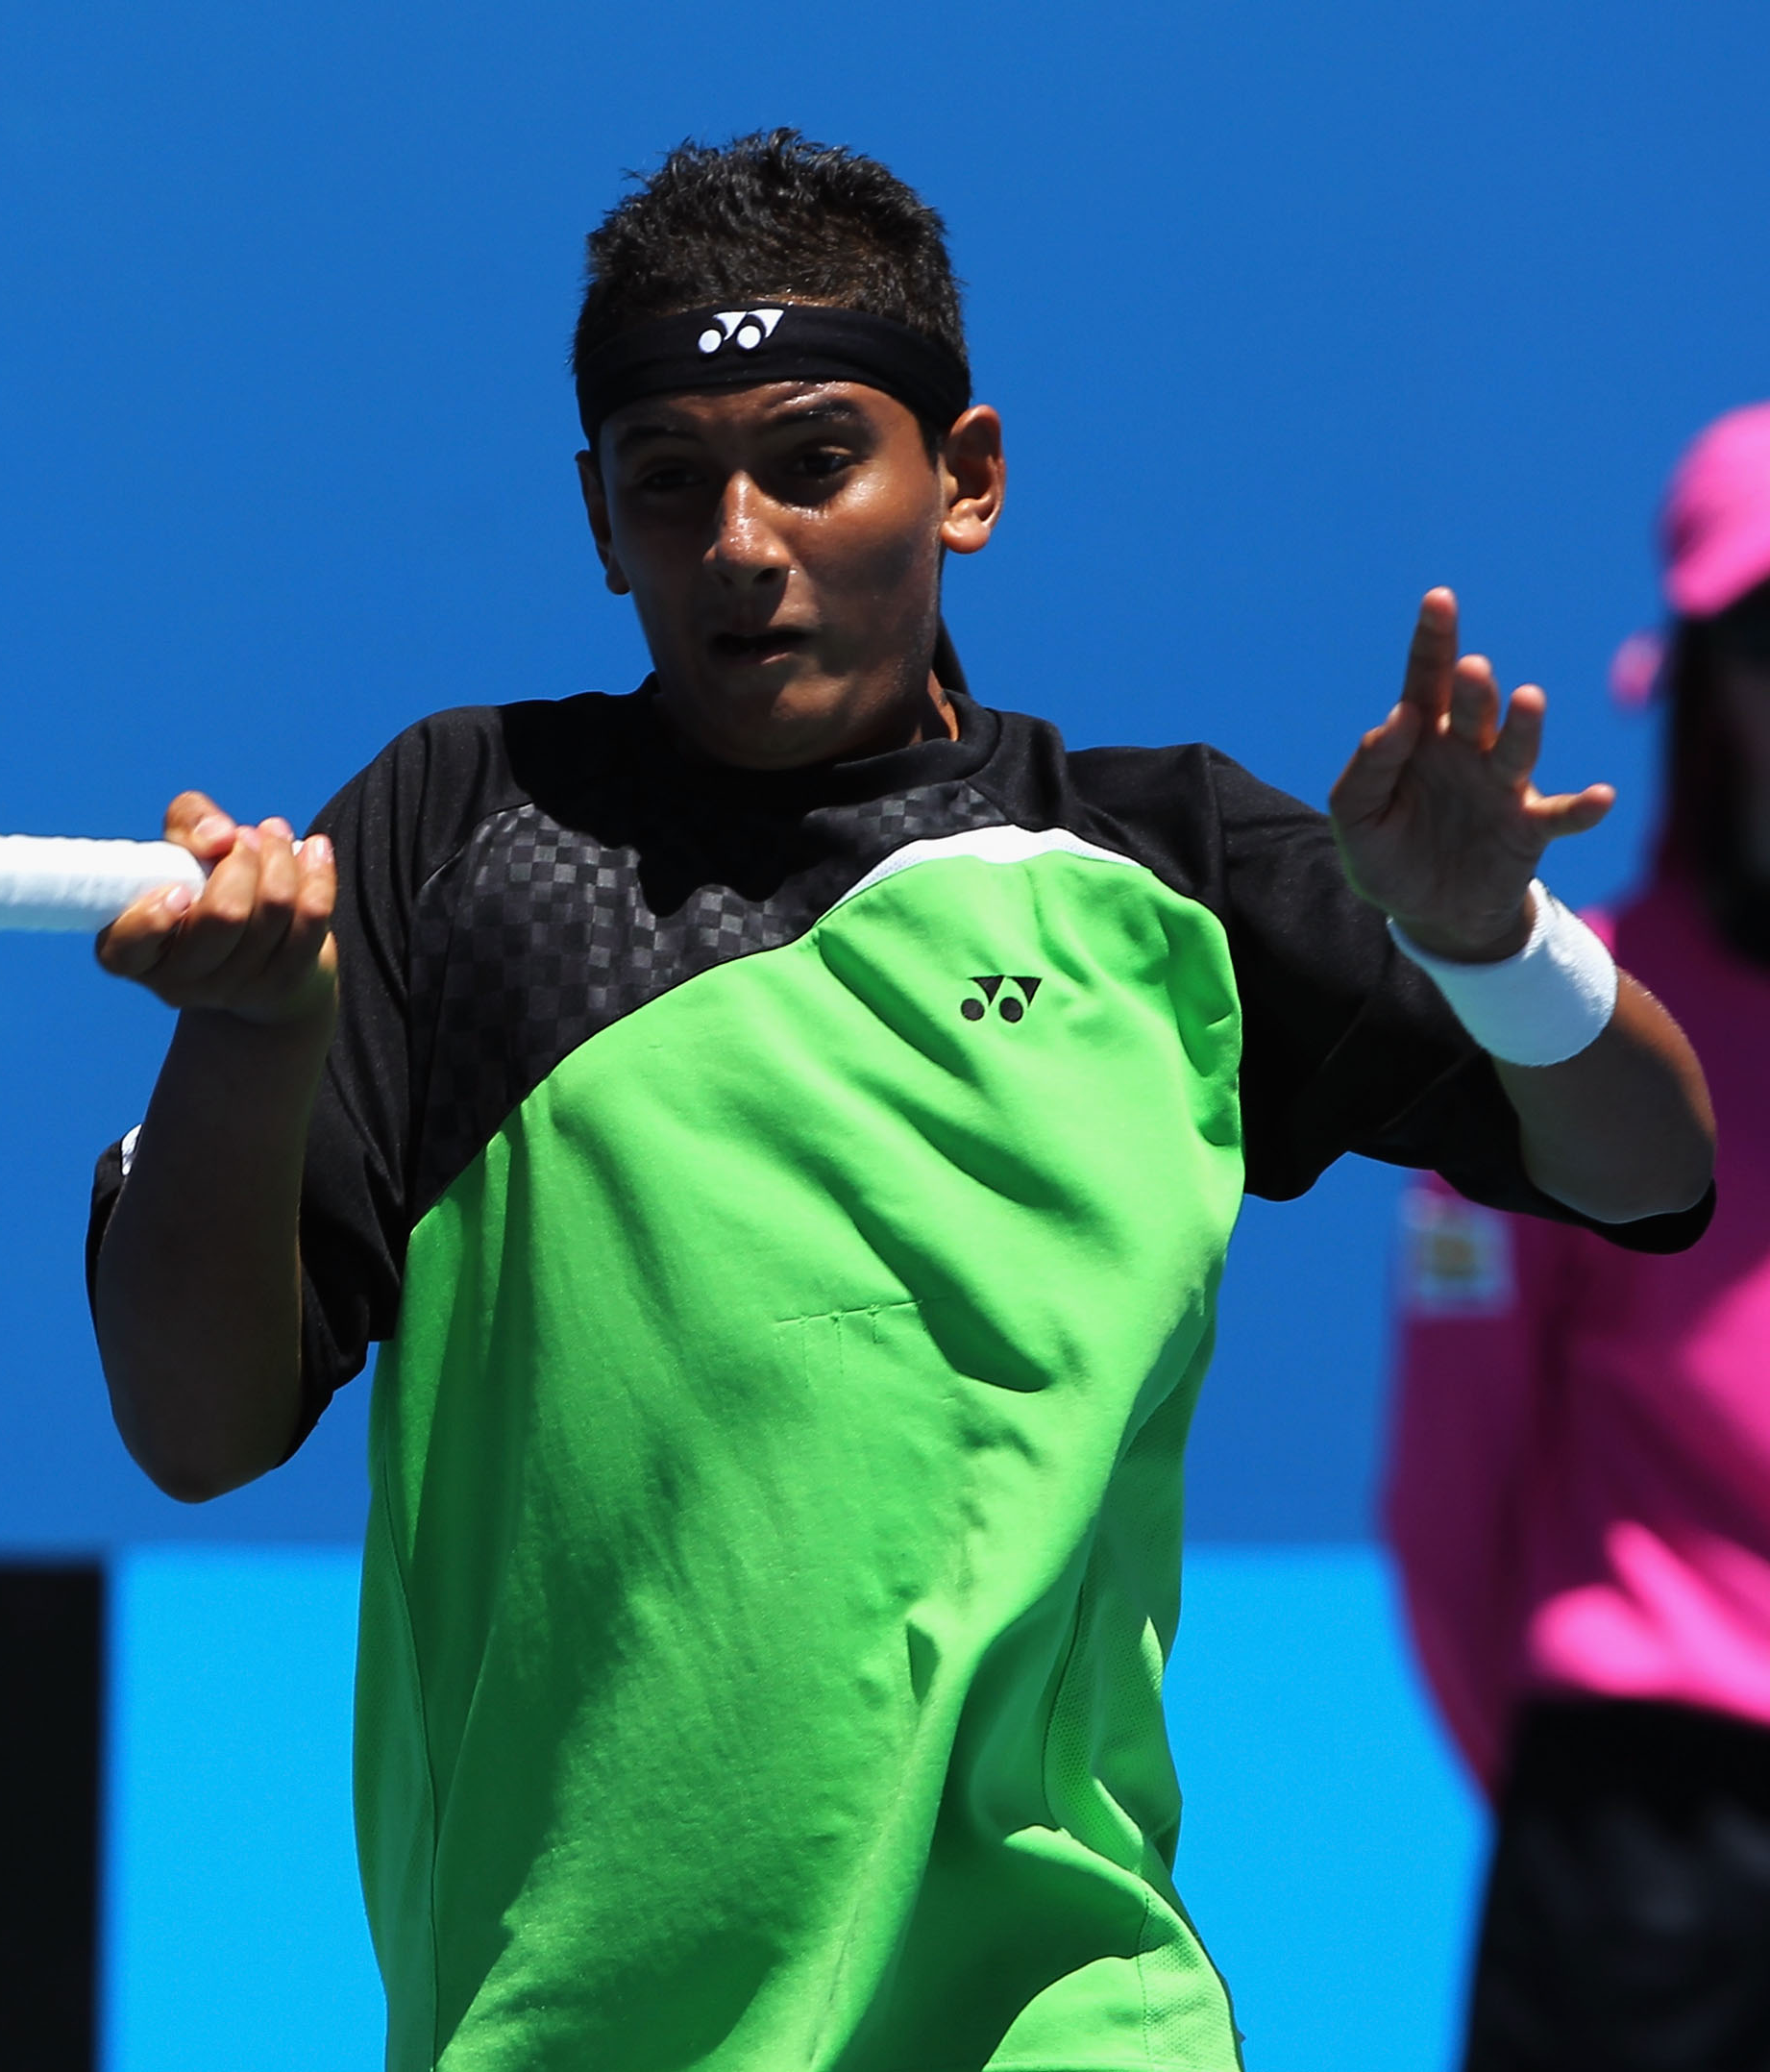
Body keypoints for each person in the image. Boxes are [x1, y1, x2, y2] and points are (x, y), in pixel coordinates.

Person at [89, 133, 1716, 2072]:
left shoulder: (1166, 869)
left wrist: (1486, 939)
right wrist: (252, 1041)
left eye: (810, 459)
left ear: (967, 483)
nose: (741, 543)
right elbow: (194, 1426)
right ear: (599, 521)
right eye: (668, 483)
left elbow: (1652, 1164)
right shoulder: (464, 833)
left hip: (1071, 2020)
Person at [1388, 401, 1770, 2072]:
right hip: (1637, 1849)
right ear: (1697, 682)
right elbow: (1450, 1503)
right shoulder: (1562, 1030)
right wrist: (1579, 1806)